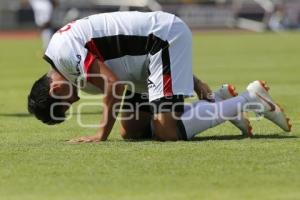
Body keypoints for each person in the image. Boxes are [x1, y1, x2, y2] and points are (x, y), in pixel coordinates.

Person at [27, 11, 291, 142]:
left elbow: (115, 86)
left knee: (167, 133)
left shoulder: (63, 54)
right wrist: (195, 81)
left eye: (67, 104)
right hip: (145, 57)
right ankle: (219, 102)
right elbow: (123, 61)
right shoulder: (61, 54)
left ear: (56, 91)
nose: (74, 102)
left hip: (162, 40)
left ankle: (250, 99)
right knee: (132, 130)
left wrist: (100, 134)